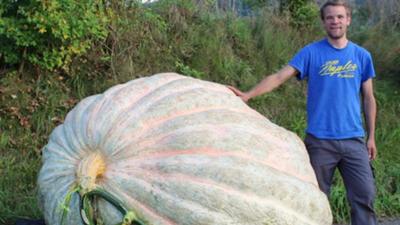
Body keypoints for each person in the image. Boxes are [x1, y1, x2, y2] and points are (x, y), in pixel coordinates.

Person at [228, 0, 377, 224]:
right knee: (313, 202)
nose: (334, 21)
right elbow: (279, 77)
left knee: (364, 197)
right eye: (329, 18)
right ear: (324, 22)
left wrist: (371, 137)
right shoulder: (311, 53)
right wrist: (248, 95)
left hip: (354, 141)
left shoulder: (362, 56)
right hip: (320, 142)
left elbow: (368, 98)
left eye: (339, 17)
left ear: (348, 20)